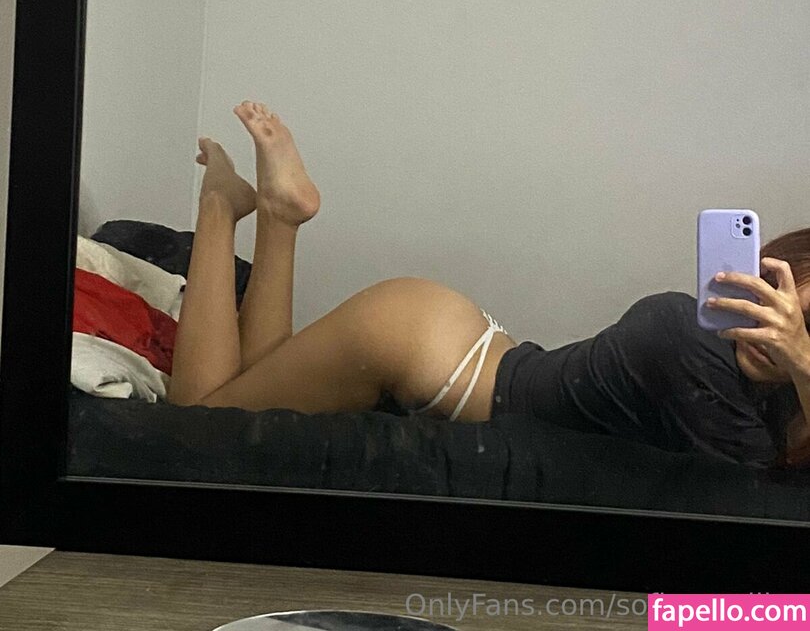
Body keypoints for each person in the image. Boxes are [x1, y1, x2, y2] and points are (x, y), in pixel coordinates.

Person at [167, 101, 810, 470]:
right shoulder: (696, 347)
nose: (778, 331)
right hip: (414, 346)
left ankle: (280, 216)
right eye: (781, 296)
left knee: (261, 392)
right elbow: (752, 501)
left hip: (453, 340)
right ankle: (220, 202)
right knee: (198, 422)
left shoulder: (776, 391)